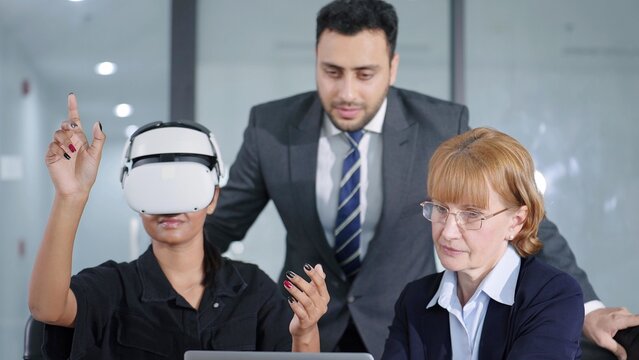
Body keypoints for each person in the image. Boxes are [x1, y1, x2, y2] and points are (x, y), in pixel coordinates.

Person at [203, 0, 639, 359]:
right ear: (315, 62)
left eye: (365, 74)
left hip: (409, 330)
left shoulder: (440, 124)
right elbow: (218, 227)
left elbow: (518, 214)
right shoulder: (272, 127)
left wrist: (588, 309)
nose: (347, 92)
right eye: (332, 72)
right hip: (306, 332)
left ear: (392, 68)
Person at [28, 94, 330, 359]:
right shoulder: (112, 287)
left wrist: (305, 331)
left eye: (185, 188)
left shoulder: (253, 290)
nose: (171, 207)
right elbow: (48, 309)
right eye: (155, 189)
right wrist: (70, 196)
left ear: (213, 198)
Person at [381, 127, 585, 359]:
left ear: (516, 221)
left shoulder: (552, 296)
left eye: (471, 214)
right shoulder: (415, 300)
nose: (447, 232)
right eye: (440, 208)